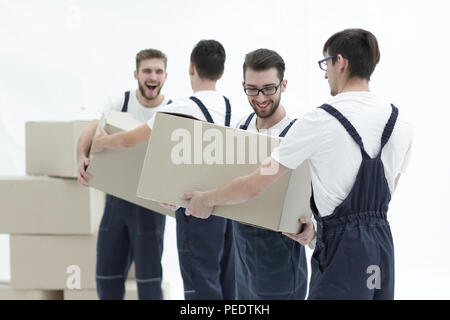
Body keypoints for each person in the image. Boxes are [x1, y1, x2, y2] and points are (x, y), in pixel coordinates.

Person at [181, 28, 413, 300]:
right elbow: (388, 190)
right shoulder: (401, 123)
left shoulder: (318, 121)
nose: (325, 73)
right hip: (381, 248)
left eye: (326, 63)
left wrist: (207, 199)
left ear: (341, 62)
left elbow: (255, 184)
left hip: (339, 251)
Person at [88, 40, 241, 300]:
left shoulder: (178, 108)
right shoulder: (232, 109)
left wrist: (100, 142)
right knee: (229, 286)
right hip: (229, 210)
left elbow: (128, 140)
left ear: (191, 68)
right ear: (222, 71)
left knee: (200, 285)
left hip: (197, 212)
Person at [76, 48, 171, 300]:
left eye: (158, 71)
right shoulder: (120, 101)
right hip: (116, 202)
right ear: (136, 74)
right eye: (147, 70)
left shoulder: (173, 110)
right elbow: (92, 128)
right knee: (106, 277)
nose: (153, 76)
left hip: (151, 207)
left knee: (149, 283)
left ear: (166, 76)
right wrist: (81, 157)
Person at [233, 48, 307, 299]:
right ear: (243, 85)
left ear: (283, 85)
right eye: (252, 89)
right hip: (240, 253)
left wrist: (312, 228)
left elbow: (318, 195)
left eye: (269, 88)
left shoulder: (298, 134)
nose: (260, 97)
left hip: (281, 257)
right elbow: (221, 182)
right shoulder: (239, 128)